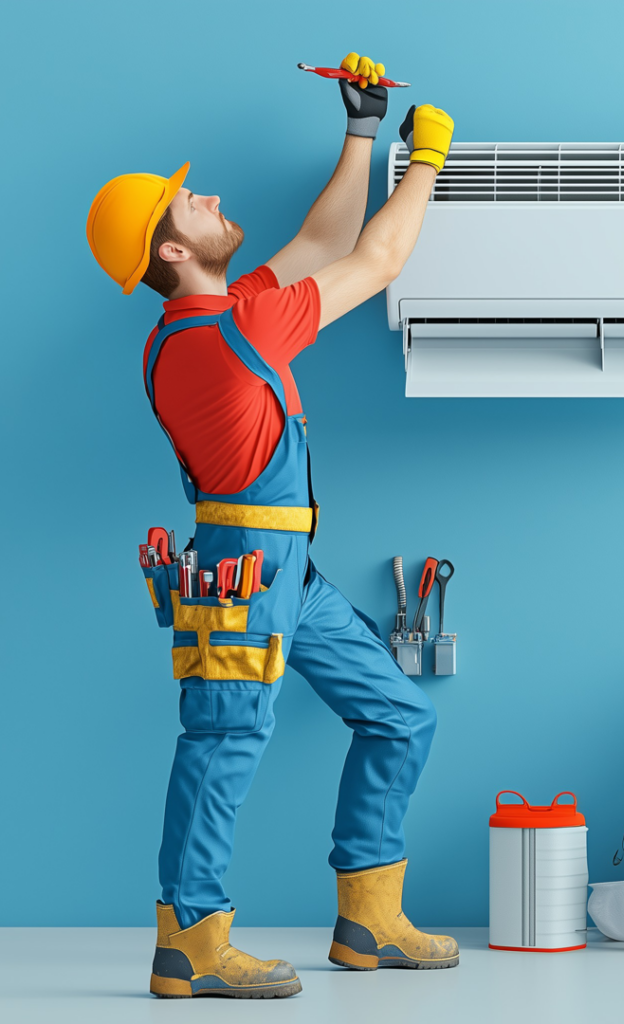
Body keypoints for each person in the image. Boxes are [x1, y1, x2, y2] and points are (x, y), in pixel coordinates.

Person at [86, 52, 457, 999]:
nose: (204, 195)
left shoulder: (228, 314)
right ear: (172, 250)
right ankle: (191, 945)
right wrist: (428, 162)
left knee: (398, 712)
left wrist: (364, 127)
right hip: (244, 571)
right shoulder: (226, 337)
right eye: (186, 201)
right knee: (223, 744)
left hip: (287, 570)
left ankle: (369, 920)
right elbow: (376, 259)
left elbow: (323, 238)